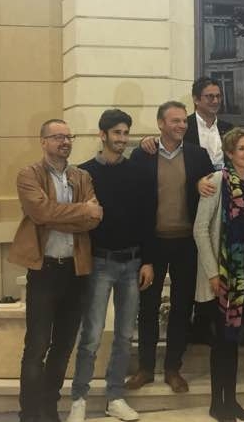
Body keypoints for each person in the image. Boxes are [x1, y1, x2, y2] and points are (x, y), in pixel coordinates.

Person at [9, 119, 104, 422]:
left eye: (68, 136)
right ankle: (29, 414)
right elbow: (39, 212)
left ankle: (49, 409)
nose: (65, 141)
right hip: (44, 271)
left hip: (75, 271)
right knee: (37, 346)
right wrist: (81, 210)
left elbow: (94, 219)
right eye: (57, 137)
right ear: (43, 142)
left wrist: (61, 215)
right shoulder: (29, 175)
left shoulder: (81, 176)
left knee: (63, 346)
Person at [68, 110, 156, 422]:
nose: (122, 138)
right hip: (99, 263)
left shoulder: (138, 173)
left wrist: (148, 261)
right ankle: (79, 397)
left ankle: (115, 396)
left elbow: (148, 219)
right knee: (91, 335)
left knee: (124, 336)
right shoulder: (84, 173)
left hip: (132, 263)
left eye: (125, 132)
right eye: (116, 132)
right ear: (102, 135)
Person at [127, 101, 214, 394]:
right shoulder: (143, 155)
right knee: (148, 307)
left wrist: (202, 184)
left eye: (183, 121)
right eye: (174, 121)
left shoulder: (198, 155)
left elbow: (212, 187)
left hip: (187, 244)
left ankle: (173, 368)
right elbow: (137, 205)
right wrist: (144, 257)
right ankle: (145, 368)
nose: (181, 126)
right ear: (160, 124)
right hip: (153, 243)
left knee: (181, 308)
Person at [192, 128, 244, 422]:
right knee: (221, 341)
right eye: (241, 148)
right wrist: (213, 273)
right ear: (230, 153)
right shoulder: (217, 180)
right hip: (222, 275)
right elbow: (200, 229)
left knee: (232, 341)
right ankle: (216, 404)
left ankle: (231, 401)